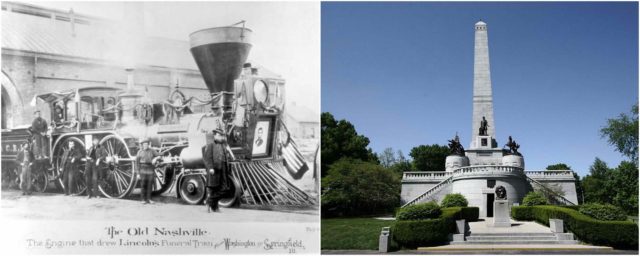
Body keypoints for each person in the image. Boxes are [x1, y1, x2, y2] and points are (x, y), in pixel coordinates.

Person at [203, 129, 230, 212]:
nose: (220, 137)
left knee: (225, 188)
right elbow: (207, 158)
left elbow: (225, 156)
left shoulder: (223, 145)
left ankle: (209, 201)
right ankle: (215, 207)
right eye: (219, 135)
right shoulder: (210, 144)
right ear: (214, 136)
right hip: (215, 169)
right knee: (214, 188)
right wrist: (210, 168)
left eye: (221, 135)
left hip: (223, 168)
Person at [135, 138, 160, 204]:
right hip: (142, 169)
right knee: (143, 185)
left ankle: (149, 199)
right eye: (144, 144)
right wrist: (137, 173)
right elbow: (137, 163)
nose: (145, 145)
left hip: (150, 169)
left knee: (150, 185)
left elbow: (159, 155)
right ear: (142, 145)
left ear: (148, 145)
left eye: (146, 144)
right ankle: (143, 199)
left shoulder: (152, 151)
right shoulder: (139, 152)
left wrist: (155, 158)